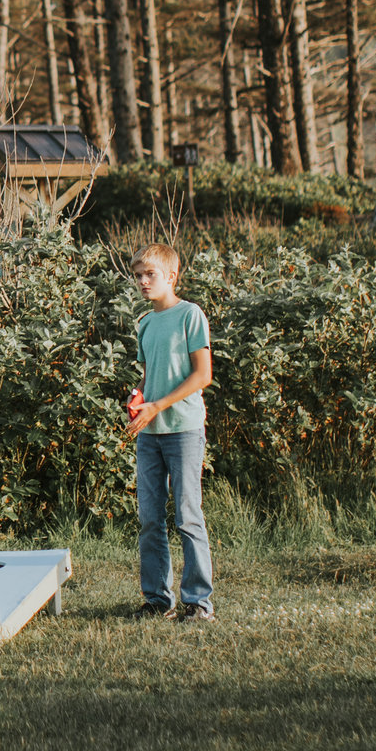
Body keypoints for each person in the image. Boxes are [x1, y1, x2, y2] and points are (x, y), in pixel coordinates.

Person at [125, 242, 215, 622]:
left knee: (187, 515)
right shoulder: (145, 323)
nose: (143, 282)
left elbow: (202, 375)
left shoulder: (190, 315)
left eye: (150, 275)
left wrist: (159, 406)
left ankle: (198, 603)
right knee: (150, 519)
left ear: (171, 276)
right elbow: (149, 378)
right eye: (138, 276)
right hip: (149, 434)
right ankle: (158, 601)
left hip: (183, 430)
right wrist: (138, 397)